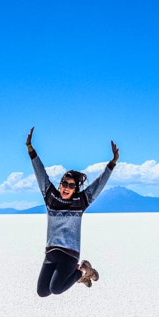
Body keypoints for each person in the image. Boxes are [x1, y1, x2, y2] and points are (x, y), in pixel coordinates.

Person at [27, 127, 119, 297]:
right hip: (51, 254)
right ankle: (78, 276)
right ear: (60, 184)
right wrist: (31, 150)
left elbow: (98, 185)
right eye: (64, 183)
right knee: (42, 292)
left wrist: (112, 163)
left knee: (56, 289)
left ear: (75, 189)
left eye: (71, 185)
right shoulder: (51, 198)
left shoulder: (80, 202)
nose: (67, 188)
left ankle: (84, 270)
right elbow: (41, 174)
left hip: (69, 254)